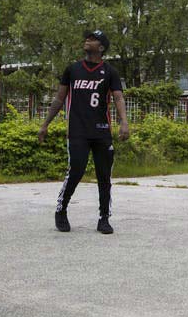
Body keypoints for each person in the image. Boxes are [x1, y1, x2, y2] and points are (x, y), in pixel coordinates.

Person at [39, 29, 129, 234]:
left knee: (104, 175)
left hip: (102, 131)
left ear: (101, 47)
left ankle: (104, 218)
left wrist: (124, 122)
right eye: (87, 37)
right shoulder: (73, 69)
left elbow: (118, 98)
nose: (87, 40)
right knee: (76, 170)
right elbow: (59, 99)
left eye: (93, 39)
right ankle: (61, 210)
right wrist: (45, 124)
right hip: (77, 130)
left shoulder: (110, 72)